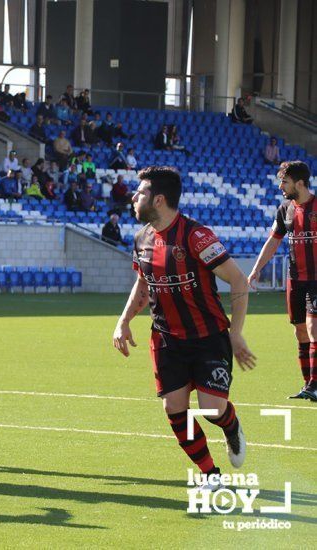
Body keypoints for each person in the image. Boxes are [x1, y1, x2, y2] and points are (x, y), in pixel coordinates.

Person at [113, 166, 255, 492]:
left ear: (159, 199)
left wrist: (236, 332)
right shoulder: (141, 239)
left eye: (140, 193)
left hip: (208, 337)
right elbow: (143, 283)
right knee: (174, 408)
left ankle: (230, 425)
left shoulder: (195, 236)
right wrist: (124, 321)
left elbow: (236, 280)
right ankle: (211, 475)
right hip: (166, 338)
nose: (133, 198)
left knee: (211, 409)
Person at [247, 161, 316, 399]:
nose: (280, 187)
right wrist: (256, 269)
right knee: (300, 331)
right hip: (295, 279)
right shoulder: (284, 209)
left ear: (299, 183)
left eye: (284, 182)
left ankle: (315, 386)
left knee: (313, 329)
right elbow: (274, 240)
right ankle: (308, 385)